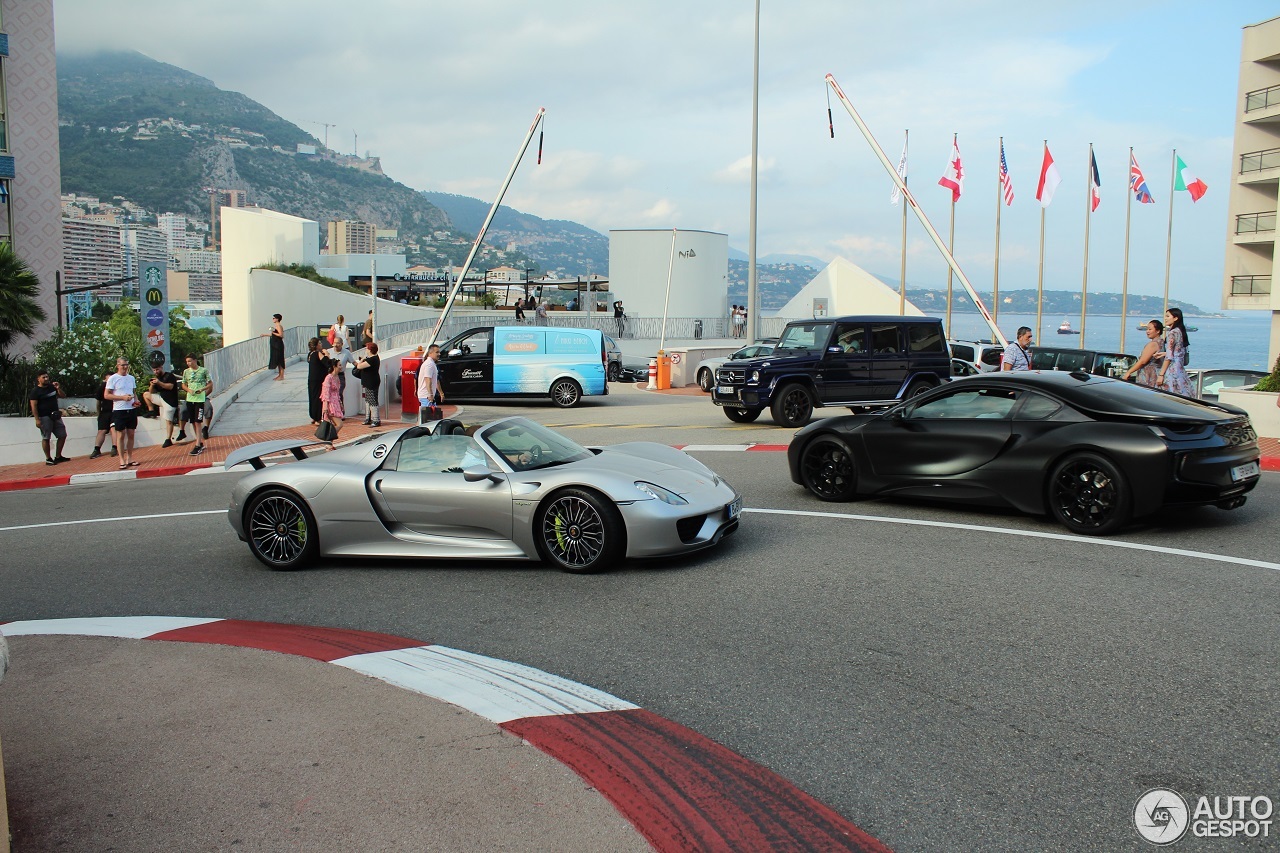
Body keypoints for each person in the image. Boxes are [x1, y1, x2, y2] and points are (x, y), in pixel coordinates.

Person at [104, 357, 140, 468]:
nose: (125, 367)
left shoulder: (131, 378)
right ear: (118, 365)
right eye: (123, 365)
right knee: (120, 435)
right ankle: (121, 459)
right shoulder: (113, 378)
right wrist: (122, 398)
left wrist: (136, 400)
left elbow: (134, 392)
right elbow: (107, 395)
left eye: (126, 365)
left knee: (131, 434)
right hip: (119, 410)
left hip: (131, 409)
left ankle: (130, 458)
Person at [29, 369, 68, 466]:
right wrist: (37, 419)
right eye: (43, 377)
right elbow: (33, 406)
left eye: (47, 377)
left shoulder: (52, 387)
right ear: (38, 379)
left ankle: (58, 456)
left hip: (55, 415)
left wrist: (58, 388)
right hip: (44, 417)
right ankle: (48, 458)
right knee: (46, 437)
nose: (46, 379)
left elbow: (63, 396)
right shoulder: (35, 391)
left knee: (62, 435)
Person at [180, 353, 212, 456]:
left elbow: (210, 383)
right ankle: (199, 440)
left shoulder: (203, 371)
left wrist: (202, 389)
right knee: (193, 421)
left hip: (199, 399)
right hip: (190, 398)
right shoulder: (186, 372)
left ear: (195, 360)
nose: (188, 363)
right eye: (187, 362)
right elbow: (183, 384)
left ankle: (198, 444)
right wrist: (189, 390)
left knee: (198, 421)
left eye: (190, 361)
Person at [144, 362, 181, 448]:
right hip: (162, 399)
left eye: (157, 369)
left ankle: (168, 439)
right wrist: (152, 385)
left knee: (168, 421)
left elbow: (170, 387)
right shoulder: (156, 378)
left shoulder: (169, 376)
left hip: (170, 402)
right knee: (146, 395)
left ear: (161, 368)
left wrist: (159, 383)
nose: (156, 371)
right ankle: (151, 411)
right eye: (154, 370)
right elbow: (151, 392)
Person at [1157, 308, 1193, 396]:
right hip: (1180, 369)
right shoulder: (1180, 331)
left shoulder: (1172, 333)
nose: (1165, 318)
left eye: (1168, 316)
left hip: (1172, 369)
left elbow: (1169, 356)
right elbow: (1178, 351)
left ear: (1175, 318)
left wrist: (1161, 375)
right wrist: (1164, 353)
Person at [1122, 320, 1164, 388]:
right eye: (1147, 329)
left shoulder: (1153, 344)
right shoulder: (1162, 342)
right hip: (1157, 374)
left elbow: (1142, 361)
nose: (1147, 331)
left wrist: (1128, 372)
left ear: (1158, 331)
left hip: (1149, 376)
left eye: (1150, 329)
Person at [90, 371, 117, 459]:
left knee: (113, 428)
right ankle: (97, 449)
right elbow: (98, 401)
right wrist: (99, 414)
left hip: (115, 411)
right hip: (105, 412)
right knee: (102, 430)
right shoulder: (102, 388)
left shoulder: (117, 387)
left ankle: (114, 448)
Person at [356, 341, 382, 427]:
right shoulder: (374, 358)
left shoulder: (372, 360)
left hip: (372, 382)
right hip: (369, 382)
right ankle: (368, 418)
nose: (366, 350)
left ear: (370, 350)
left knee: (372, 401)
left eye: (367, 348)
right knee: (368, 400)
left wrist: (362, 359)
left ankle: (376, 419)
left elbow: (359, 366)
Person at [416, 343, 443, 419]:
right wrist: (430, 394)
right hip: (426, 397)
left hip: (427, 397)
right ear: (430, 353)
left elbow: (436, 380)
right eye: (437, 352)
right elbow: (428, 380)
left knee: (427, 418)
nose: (439, 354)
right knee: (426, 419)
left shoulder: (432, 364)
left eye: (439, 352)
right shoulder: (429, 365)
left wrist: (441, 393)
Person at [329, 337, 355, 413]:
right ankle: (332, 411)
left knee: (339, 393)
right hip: (331, 376)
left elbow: (353, 362)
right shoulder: (329, 352)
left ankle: (341, 411)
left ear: (342, 344)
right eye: (334, 343)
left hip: (340, 376)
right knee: (330, 393)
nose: (336, 345)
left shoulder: (346, 352)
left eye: (338, 343)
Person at [320, 358, 344, 436]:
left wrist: (340, 404)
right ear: (334, 366)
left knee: (334, 425)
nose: (341, 367)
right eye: (339, 365)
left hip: (336, 403)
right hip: (330, 404)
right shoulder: (328, 378)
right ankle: (328, 440)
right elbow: (325, 393)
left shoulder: (337, 377)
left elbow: (337, 393)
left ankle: (329, 443)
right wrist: (326, 407)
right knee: (339, 424)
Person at [306, 337, 326, 425]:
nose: (321, 345)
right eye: (320, 343)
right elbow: (327, 362)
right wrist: (327, 354)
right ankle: (318, 417)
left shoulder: (310, 354)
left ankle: (313, 416)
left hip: (311, 379)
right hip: (318, 380)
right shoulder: (318, 354)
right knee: (318, 398)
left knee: (312, 398)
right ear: (317, 345)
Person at [265, 313, 285, 381]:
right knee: (277, 360)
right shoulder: (276, 326)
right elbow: (273, 335)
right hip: (275, 344)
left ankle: (281, 375)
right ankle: (279, 374)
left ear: (277, 319)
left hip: (278, 345)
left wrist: (273, 333)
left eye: (274, 318)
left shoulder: (279, 326)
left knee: (280, 360)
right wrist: (265, 335)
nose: (273, 319)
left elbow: (281, 335)